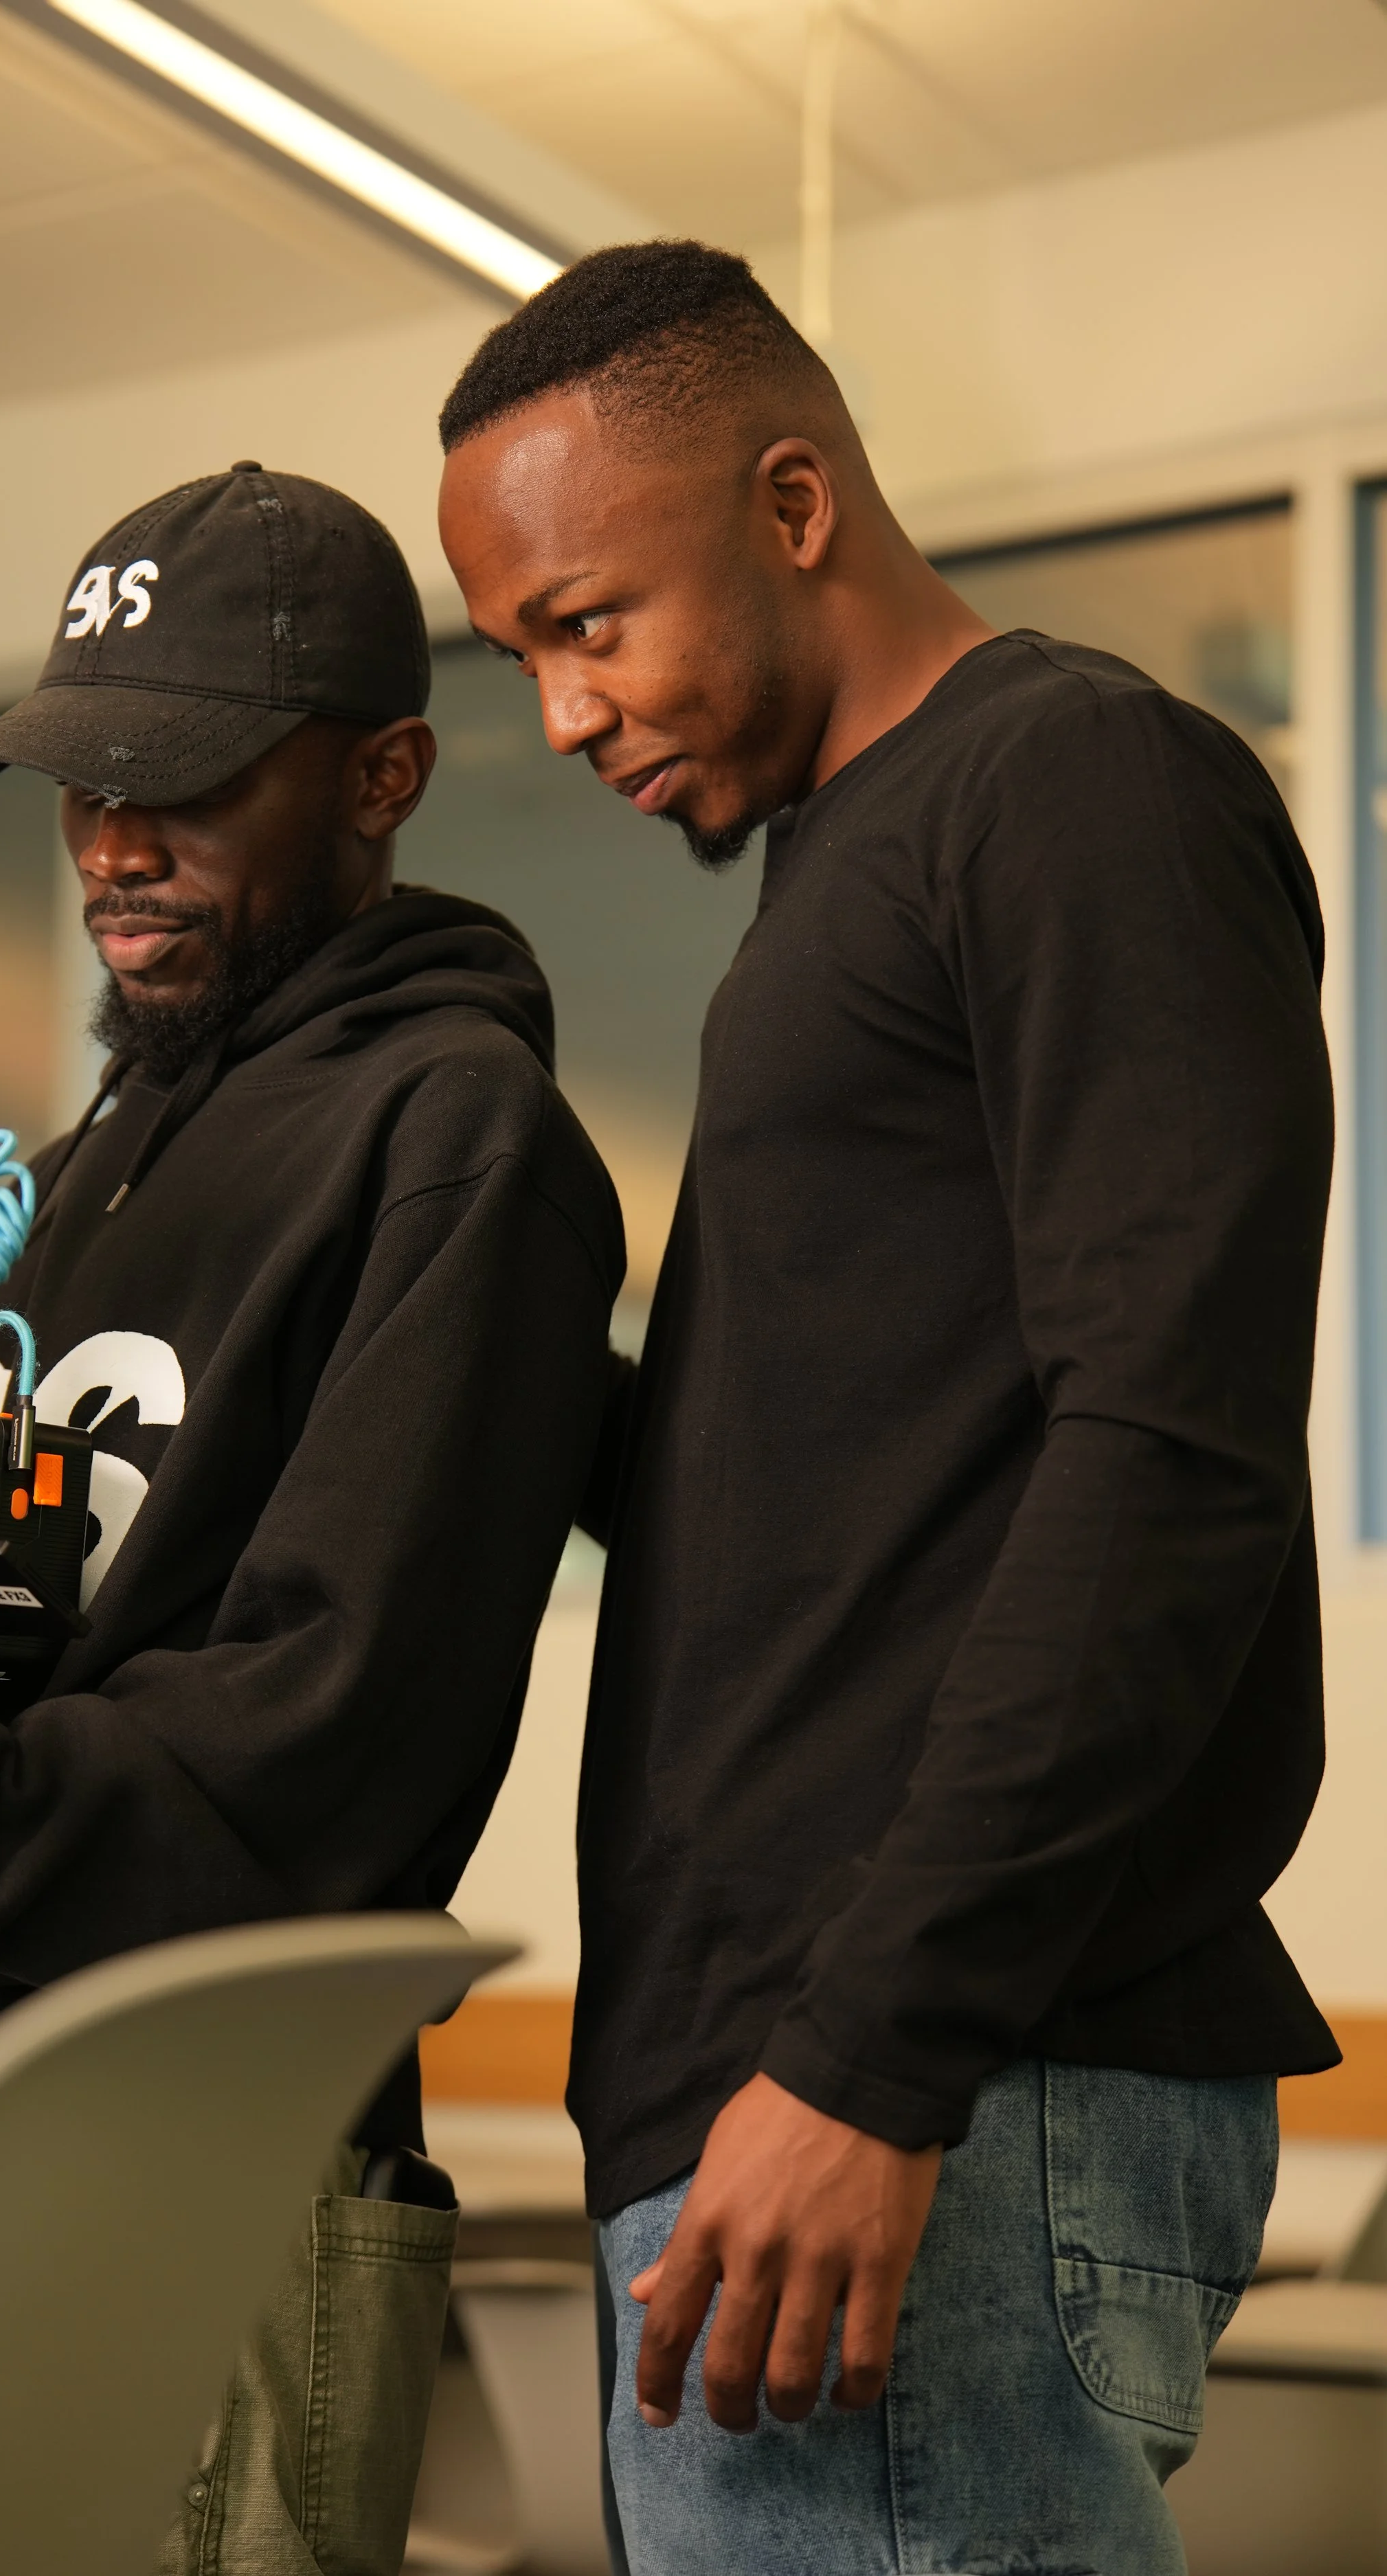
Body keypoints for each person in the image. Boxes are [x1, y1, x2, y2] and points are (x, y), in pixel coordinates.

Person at [437, 241, 1336, 2573]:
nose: (560, 713)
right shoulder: (835, 892)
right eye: (525, 652)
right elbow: (832, 1519)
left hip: (930, 2091)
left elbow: (1173, 1449)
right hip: (809, 2084)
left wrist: (868, 2052)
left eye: (587, 619)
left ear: (796, 500)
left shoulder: (1068, 779)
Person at [0, 462, 624, 2574]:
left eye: (181, 782)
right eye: (78, 781)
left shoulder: (457, 1142)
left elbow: (322, 1764)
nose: (109, 841)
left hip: (178, 2183)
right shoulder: (111, 1135)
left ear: (383, 773)